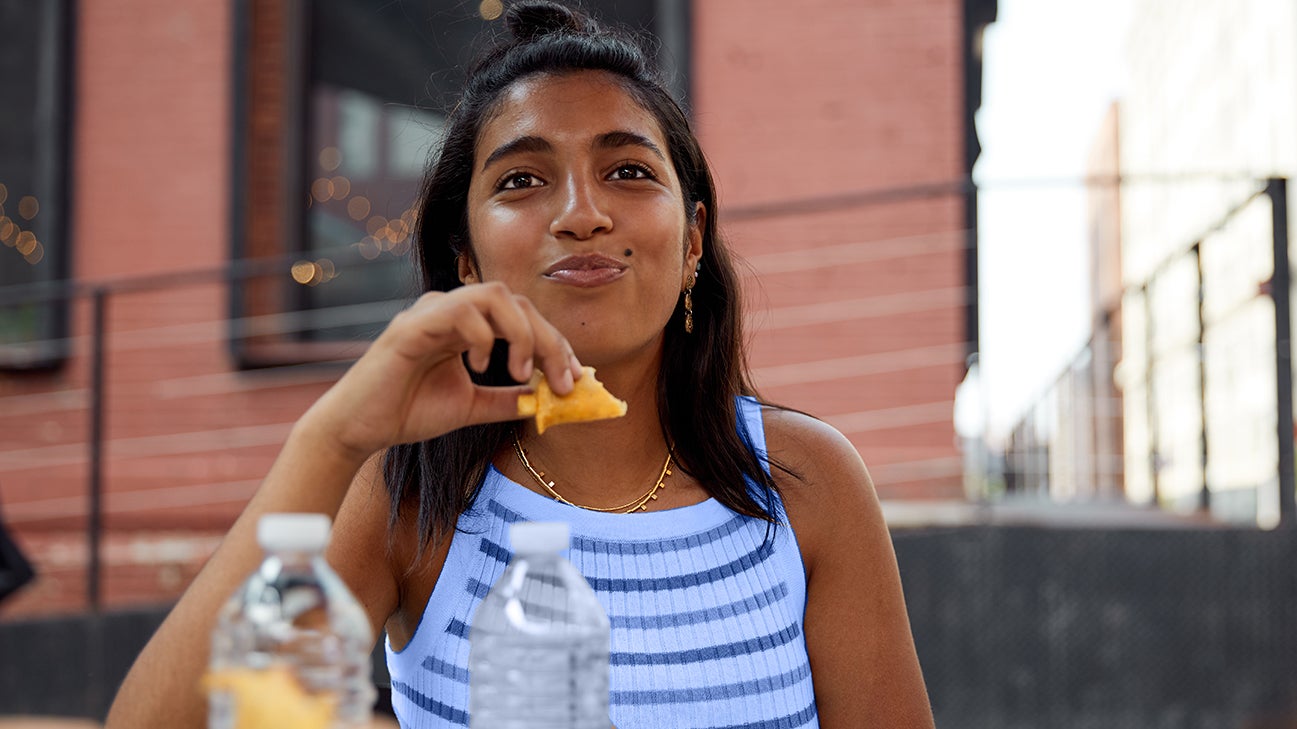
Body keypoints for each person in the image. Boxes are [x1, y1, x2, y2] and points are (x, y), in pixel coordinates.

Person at [106, 2, 934, 727]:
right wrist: (334, 435)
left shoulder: (804, 482)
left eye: (628, 171)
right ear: (465, 260)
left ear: (690, 243)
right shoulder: (410, 492)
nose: (580, 213)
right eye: (523, 179)